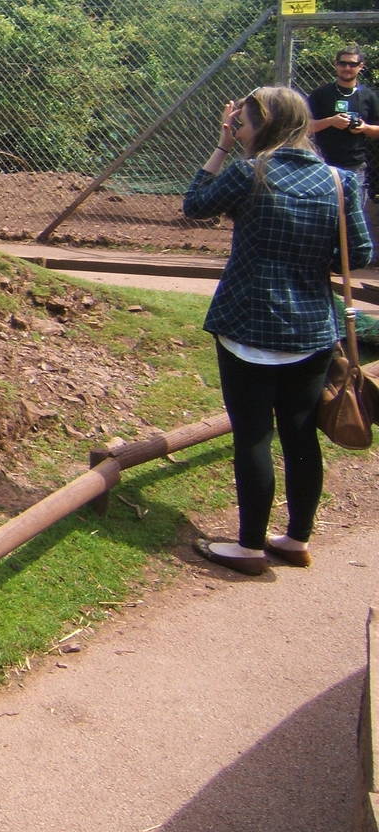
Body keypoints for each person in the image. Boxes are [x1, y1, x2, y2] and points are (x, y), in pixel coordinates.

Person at [182, 86, 373, 575]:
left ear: (264, 124)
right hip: (311, 328)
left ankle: (247, 548)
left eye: (243, 121)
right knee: (300, 435)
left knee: (251, 436)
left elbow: (195, 204)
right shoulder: (340, 181)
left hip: (247, 323)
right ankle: (295, 539)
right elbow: (364, 254)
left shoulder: (250, 172)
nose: (238, 128)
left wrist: (222, 145)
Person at [305, 45, 379, 193]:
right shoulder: (321, 94)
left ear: (361, 66)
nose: (347, 67)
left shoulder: (368, 96)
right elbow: (305, 127)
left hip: (355, 166)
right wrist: (331, 121)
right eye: (342, 63)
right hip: (322, 164)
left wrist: (364, 128)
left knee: (352, 212)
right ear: (336, 64)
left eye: (352, 64)